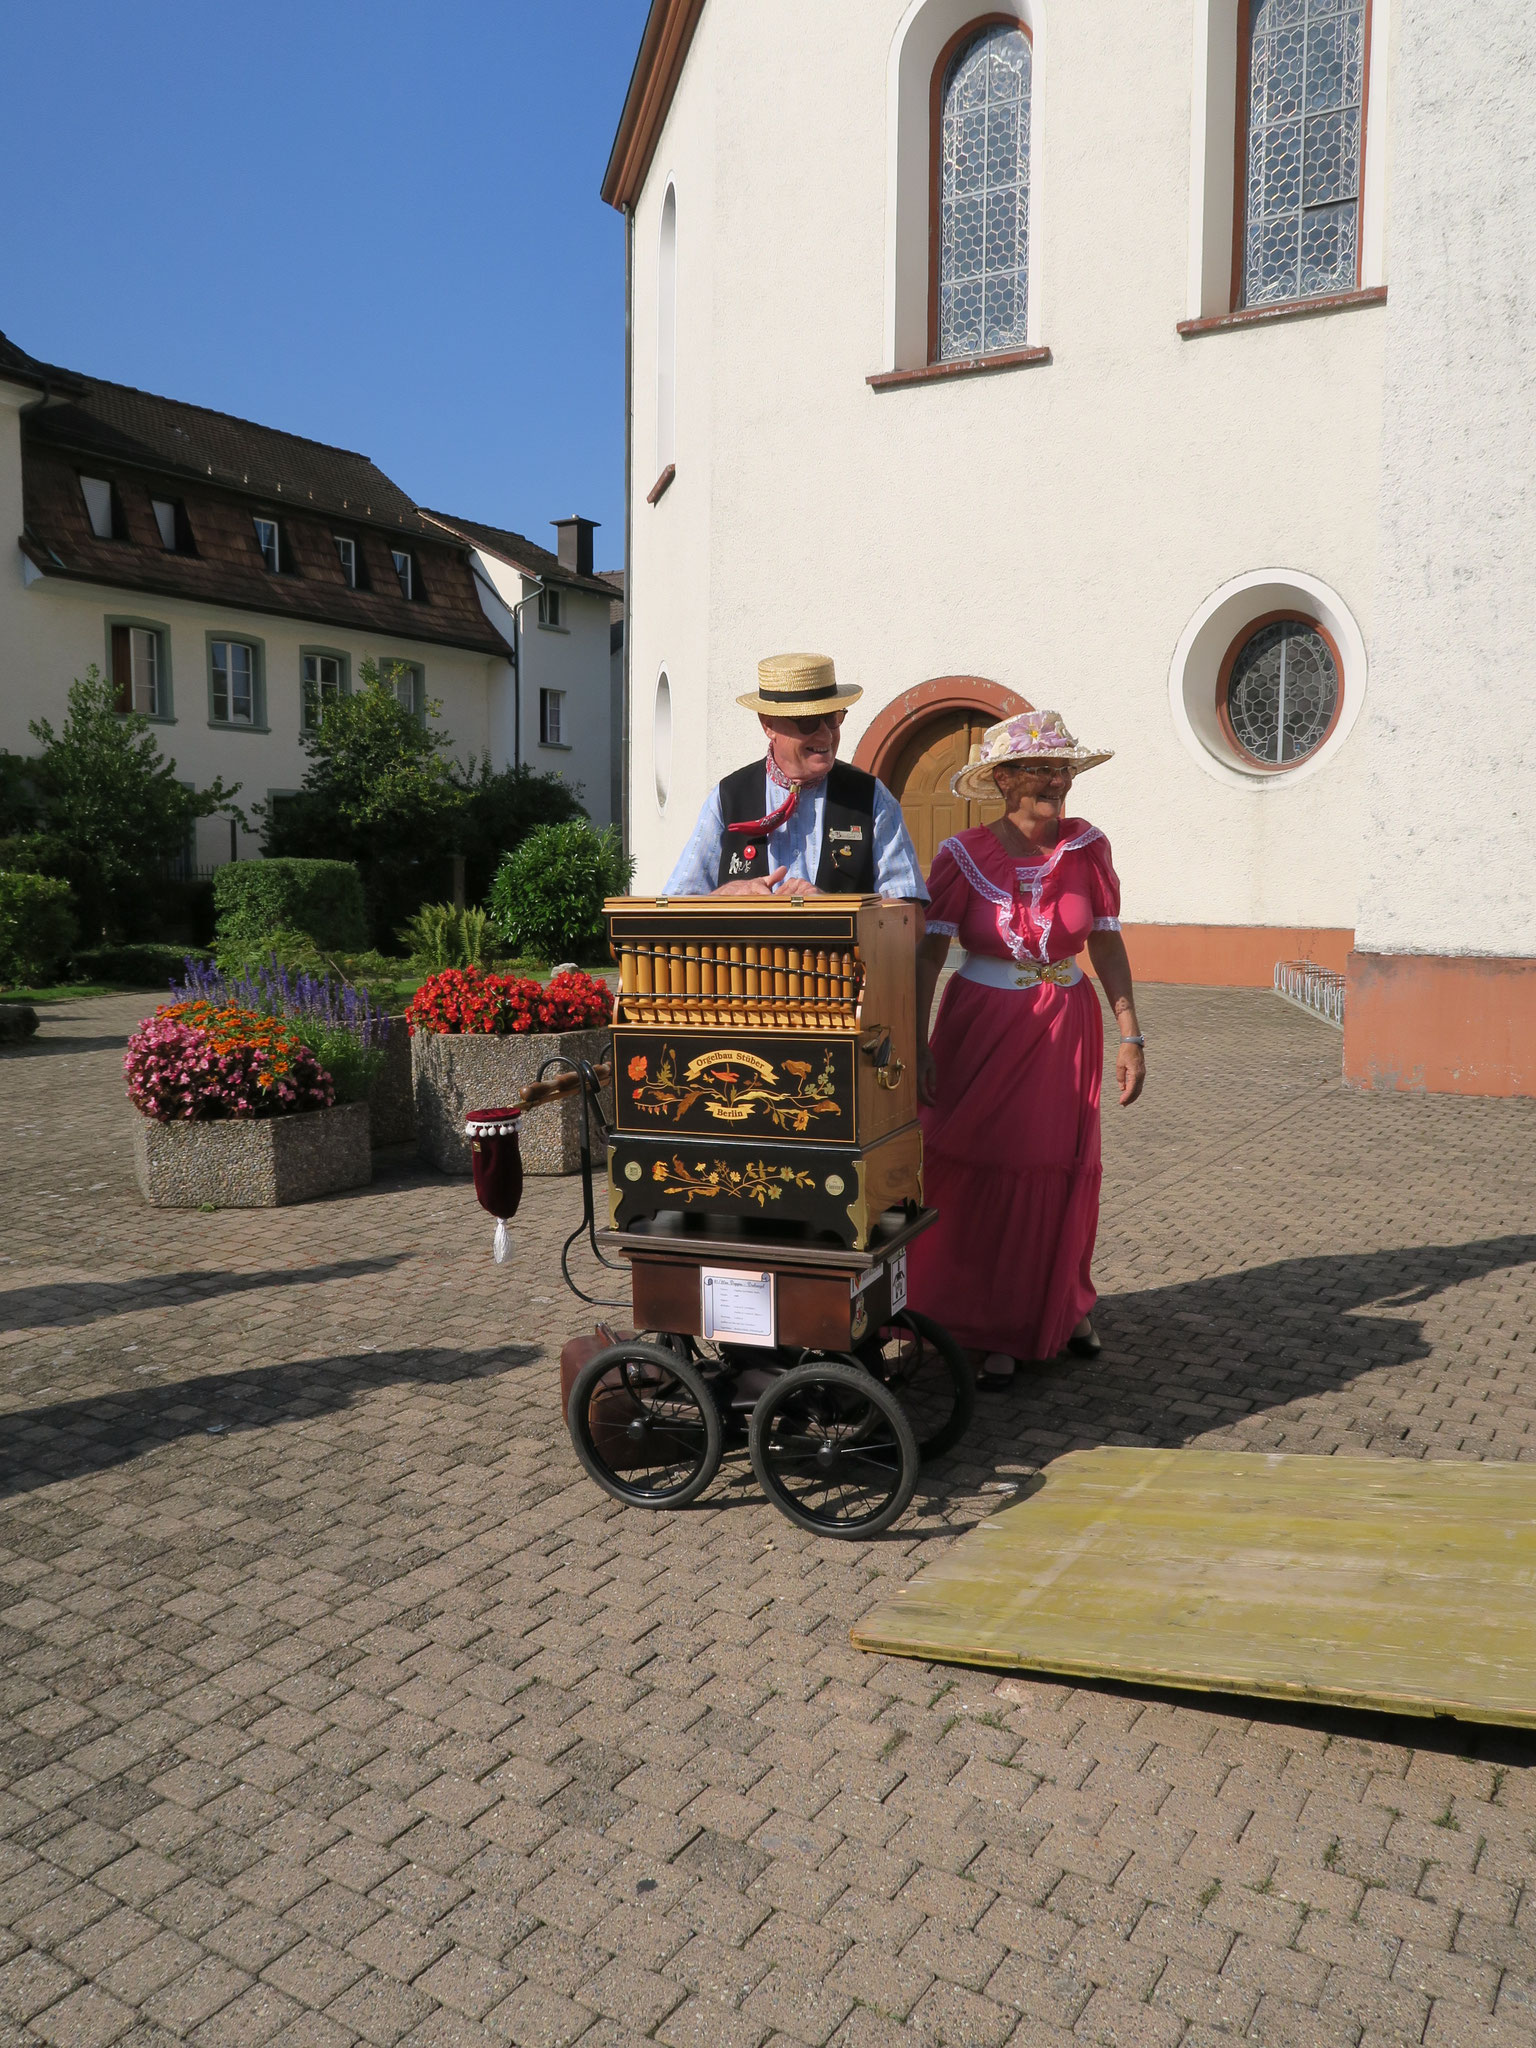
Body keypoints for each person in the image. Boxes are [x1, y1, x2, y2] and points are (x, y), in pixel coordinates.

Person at [907, 709, 1145, 1389]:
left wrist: (1130, 1032)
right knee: (977, 1163)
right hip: (979, 1028)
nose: (1055, 779)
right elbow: (929, 956)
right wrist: (920, 1040)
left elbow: (1104, 941)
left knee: (1056, 1168)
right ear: (1003, 778)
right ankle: (982, 1320)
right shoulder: (961, 856)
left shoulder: (1088, 848)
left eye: (1061, 766)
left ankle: (1060, 1305)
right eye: (1039, 767)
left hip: (1064, 1026)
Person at [663, 652, 927, 902]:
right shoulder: (728, 797)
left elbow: (908, 916)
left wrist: (831, 911)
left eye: (832, 718)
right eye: (808, 722)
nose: (825, 735)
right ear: (768, 724)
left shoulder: (870, 796)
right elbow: (673, 909)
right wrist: (725, 896)